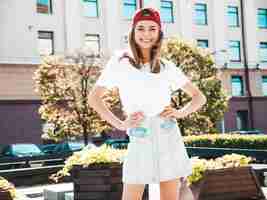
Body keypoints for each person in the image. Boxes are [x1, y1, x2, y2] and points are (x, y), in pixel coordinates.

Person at [88, 7, 207, 200]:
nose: (146, 34)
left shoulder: (167, 67)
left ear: (159, 33)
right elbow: (94, 98)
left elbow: (199, 97)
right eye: (141, 28)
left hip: (168, 136)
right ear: (133, 32)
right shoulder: (120, 62)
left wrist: (179, 113)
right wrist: (120, 123)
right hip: (140, 135)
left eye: (152, 29)